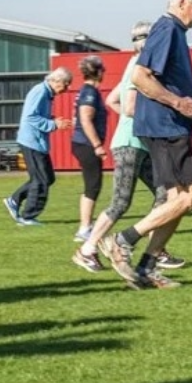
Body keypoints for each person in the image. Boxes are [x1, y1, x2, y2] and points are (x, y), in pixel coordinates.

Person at [102, 0, 192, 290]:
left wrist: (191, 105)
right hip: (165, 127)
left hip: (168, 124)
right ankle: (122, 241)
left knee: (176, 200)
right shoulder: (167, 29)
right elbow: (139, 76)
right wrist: (178, 103)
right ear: (181, 1)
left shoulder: (173, 31)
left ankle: (147, 268)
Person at [72, 22, 175, 274]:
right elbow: (129, 106)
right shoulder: (140, 64)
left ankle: (155, 251)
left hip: (138, 142)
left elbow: (111, 100)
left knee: (165, 195)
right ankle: (87, 249)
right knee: (120, 202)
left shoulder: (137, 63)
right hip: (130, 144)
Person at [2, 69, 73, 227]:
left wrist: (52, 119)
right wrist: (53, 124)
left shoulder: (46, 94)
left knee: (47, 178)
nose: (67, 89)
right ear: (55, 81)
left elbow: (36, 114)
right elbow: (30, 116)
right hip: (32, 141)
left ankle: (14, 200)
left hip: (38, 142)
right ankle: (28, 217)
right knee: (41, 180)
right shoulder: (40, 92)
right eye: (66, 84)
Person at [71, 55, 108, 243]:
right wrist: (97, 145)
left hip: (82, 143)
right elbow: (85, 118)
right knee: (92, 185)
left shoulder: (86, 91)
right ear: (99, 71)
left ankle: (85, 226)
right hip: (86, 144)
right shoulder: (89, 92)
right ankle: (84, 228)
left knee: (92, 185)